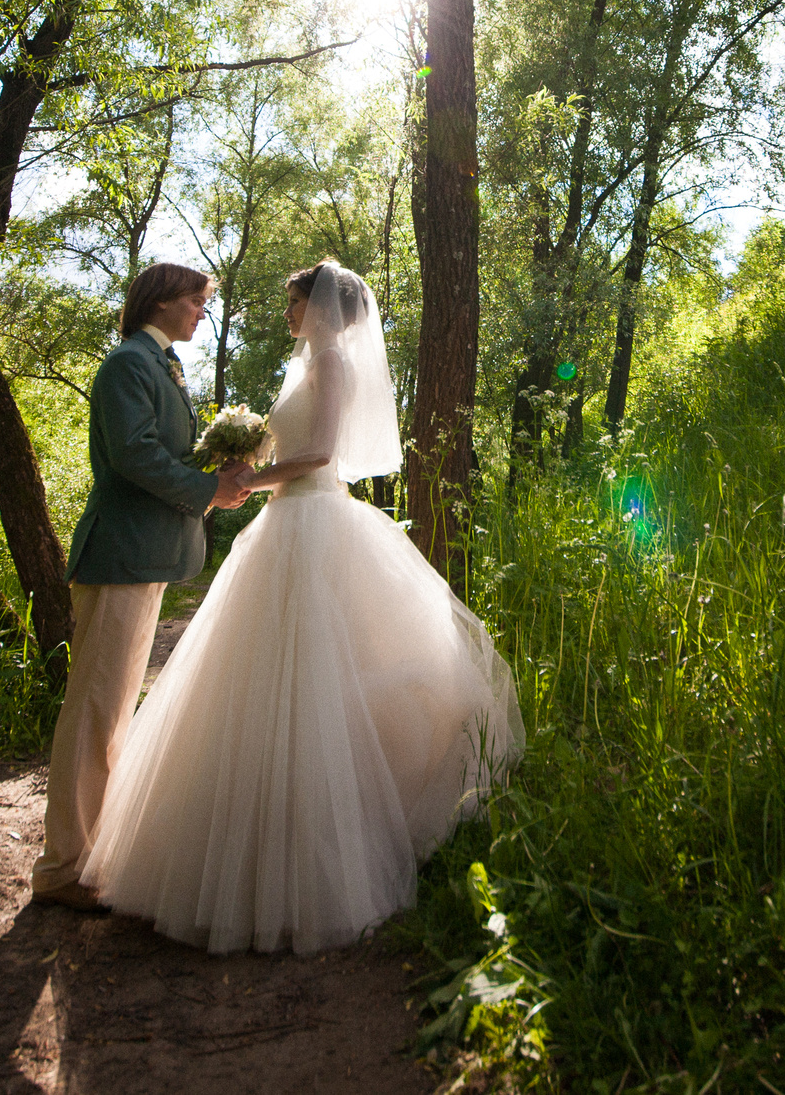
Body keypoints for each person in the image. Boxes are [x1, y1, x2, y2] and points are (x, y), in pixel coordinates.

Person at [81, 259, 525, 953]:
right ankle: (247, 843)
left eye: (293, 304)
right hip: (281, 525)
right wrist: (236, 474)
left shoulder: (335, 366)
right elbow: (283, 444)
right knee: (258, 687)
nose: (287, 314)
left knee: (320, 683)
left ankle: (326, 853)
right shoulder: (300, 368)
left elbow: (319, 455)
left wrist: (248, 478)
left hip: (315, 523)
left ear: (320, 306)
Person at [30, 263, 310, 913]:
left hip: (148, 554)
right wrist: (207, 488)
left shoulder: (163, 367)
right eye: (194, 300)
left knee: (113, 709)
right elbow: (133, 456)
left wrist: (224, 474)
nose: (199, 313)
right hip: (120, 553)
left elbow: (166, 457)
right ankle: (62, 864)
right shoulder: (129, 363)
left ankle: (88, 851)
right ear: (160, 300)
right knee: (95, 709)